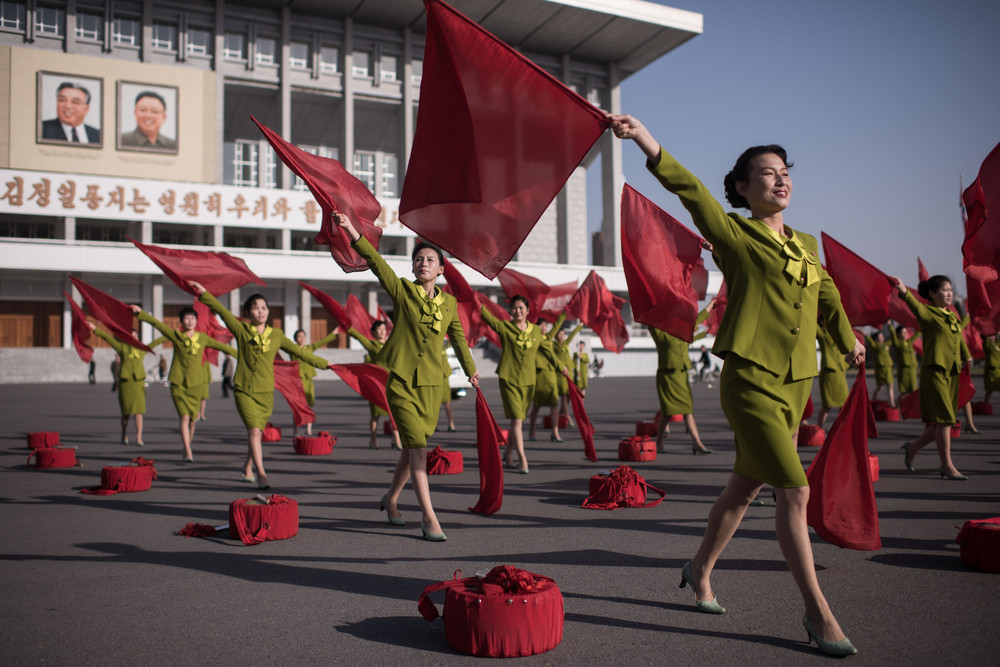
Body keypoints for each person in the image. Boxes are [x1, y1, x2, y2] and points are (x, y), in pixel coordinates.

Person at [612, 114, 864, 656]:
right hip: (750, 380)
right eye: (767, 173)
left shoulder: (807, 247)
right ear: (745, 189)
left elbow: (829, 301)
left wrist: (846, 339)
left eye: (785, 172)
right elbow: (694, 195)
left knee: (744, 488)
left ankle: (698, 568)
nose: (781, 180)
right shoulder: (736, 233)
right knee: (794, 490)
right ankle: (819, 614)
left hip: (797, 383)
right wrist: (646, 142)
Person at [334, 212, 478, 541]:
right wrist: (352, 231)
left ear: (441, 269)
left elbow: (458, 339)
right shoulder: (402, 291)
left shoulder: (450, 304)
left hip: (432, 385)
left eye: (430, 260)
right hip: (400, 382)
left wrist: (471, 371)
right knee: (417, 449)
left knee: (413, 448)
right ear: (413, 268)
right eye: (418, 260)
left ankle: (391, 499)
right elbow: (375, 261)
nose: (423, 263)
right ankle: (429, 517)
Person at [190, 284, 331, 487]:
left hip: (266, 393)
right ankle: (261, 473)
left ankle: (247, 467)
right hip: (244, 390)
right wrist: (204, 293)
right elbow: (221, 310)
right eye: (256, 308)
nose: (261, 311)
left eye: (264, 307)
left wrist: (325, 365)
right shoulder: (241, 329)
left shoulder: (277, 335)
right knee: (254, 432)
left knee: (255, 433)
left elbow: (302, 353)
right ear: (248, 313)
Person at [133, 305, 236, 462]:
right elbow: (157, 324)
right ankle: (188, 449)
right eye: (187, 318)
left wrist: (244, 355)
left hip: (196, 384)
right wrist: (141, 314)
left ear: (196, 321)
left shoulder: (203, 338)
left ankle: (187, 444)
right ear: (182, 321)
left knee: (193, 420)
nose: (190, 321)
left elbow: (223, 347)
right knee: (184, 417)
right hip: (178, 383)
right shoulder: (176, 335)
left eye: (193, 318)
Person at [892, 275, 971, 480]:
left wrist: (966, 355)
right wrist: (903, 290)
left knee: (941, 421)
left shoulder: (953, 316)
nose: (949, 293)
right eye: (944, 290)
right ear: (932, 294)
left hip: (951, 372)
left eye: (950, 290)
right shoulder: (928, 314)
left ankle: (912, 448)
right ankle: (946, 465)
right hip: (934, 371)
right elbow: (915, 306)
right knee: (945, 419)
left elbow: (959, 337)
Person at [481, 295, 560, 474]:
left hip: (528, 382)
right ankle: (522, 459)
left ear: (527, 311)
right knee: (516, 420)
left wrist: (560, 366)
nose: (517, 311)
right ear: (510, 311)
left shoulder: (536, 331)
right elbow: (490, 320)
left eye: (520, 308)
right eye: (514, 308)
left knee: (518, 422)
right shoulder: (505, 327)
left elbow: (547, 350)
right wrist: (477, 303)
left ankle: (508, 455)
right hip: (508, 380)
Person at [648, 322, 712, 454]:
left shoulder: (683, 335)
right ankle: (659, 442)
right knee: (667, 412)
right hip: (667, 376)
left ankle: (697, 443)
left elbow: (695, 323)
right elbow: (651, 323)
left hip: (681, 375)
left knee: (687, 410)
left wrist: (710, 307)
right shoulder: (662, 335)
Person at [89, 322, 152, 446]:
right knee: (126, 412)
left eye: (135, 336)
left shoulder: (142, 349)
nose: (133, 337)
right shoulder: (122, 347)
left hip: (138, 383)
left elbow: (158, 341)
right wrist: (95, 329)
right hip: (125, 383)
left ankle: (139, 437)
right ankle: (124, 433)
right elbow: (107, 338)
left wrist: (173, 334)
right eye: (131, 335)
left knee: (139, 411)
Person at [348, 320, 402, 450]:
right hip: (377, 385)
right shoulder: (372, 345)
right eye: (379, 329)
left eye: (384, 328)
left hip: (391, 382)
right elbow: (358, 337)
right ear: (373, 332)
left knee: (394, 413)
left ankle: (397, 440)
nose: (382, 331)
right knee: (376, 415)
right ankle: (373, 439)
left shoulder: (391, 344)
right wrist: (347, 327)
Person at [528, 314, 568, 442]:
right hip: (539, 374)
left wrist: (564, 314)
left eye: (546, 325)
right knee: (536, 405)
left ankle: (555, 432)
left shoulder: (549, 338)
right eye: (541, 325)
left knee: (554, 405)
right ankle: (532, 429)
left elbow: (556, 327)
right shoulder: (534, 339)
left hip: (551, 374)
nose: (544, 328)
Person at [293, 328, 339, 436]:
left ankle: (308, 428)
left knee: (309, 405)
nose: (301, 338)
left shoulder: (309, 348)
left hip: (308, 379)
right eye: (299, 336)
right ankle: (296, 429)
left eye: (303, 336)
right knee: (297, 407)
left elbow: (320, 342)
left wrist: (333, 334)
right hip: (297, 380)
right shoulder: (293, 348)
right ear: (295, 339)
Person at [815, 316, 850, 429]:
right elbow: (814, 327)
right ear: (821, 322)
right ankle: (819, 429)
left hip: (840, 371)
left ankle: (843, 429)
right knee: (827, 405)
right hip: (829, 372)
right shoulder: (822, 334)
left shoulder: (836, 333)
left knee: (844, 405)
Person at [553, 321, 583, 427]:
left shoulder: (565, 343)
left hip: (569, 374)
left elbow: (572, 336)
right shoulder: (553, 346)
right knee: (564, 397)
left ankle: (561, 412)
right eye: (559, 334)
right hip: (561, 375)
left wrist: (579, 327)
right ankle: (567, 416)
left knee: (569, 396)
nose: (561, 336)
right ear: (555, 335)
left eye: (562, 334)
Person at [865, 330, 895, 406]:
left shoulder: (886, 344)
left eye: (882, 336)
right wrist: (864, 333)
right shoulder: (875, 345)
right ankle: (872, 402)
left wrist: (891, 328)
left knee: (890, 385)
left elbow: (893, 339)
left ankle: (892, 404)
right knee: (880, 387)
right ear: (875, 339)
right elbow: (869, 339)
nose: (881, 338)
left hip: (888, 368)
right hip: (880, 369)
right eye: (879, 337)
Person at [888, 325, 919, 395]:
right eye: (903, 332)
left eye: (906, 332)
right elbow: (893, 335)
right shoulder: (898, 343)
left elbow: (917, 335)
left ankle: (911, 405)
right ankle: (897, 405)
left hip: (912, 368)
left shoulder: (909, 342)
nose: (905, 334)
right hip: (904, 369)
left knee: (913, 390)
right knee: (904, 391)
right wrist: (890, 325)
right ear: (898, 334)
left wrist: (919, 327)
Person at [438, 339, 457, 432]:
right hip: (434, 378)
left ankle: (451, 423)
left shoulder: (444, 346)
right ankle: (432, 425)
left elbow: (452, 341)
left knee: (447, 403)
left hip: (444, 378)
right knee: (434, 405)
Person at [984, 333, 999, 404]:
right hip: (991, 370)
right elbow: (985, 344)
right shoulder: (989, 346)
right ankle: (985, 404)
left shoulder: (997, 345)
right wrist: (988, 336)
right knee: (990, 390)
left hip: (998, 370)